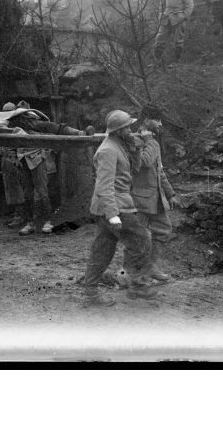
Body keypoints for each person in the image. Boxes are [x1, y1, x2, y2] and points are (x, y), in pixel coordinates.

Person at [82, 110, 157, 307]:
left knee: (102, 250)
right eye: (128, 127)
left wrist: (135, 148)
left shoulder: (119, 145)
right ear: (118, 130)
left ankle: (90, 292)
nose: (131, 130)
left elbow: (135, 169)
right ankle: (138, 285)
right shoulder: (108, 150)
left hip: (111, 206)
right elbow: (103, 185)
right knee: (142, 239)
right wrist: (113, 215)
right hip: (115, 206)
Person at [9, 101, 86, 236]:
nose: (23, 121)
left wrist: (44, 153)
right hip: (23, 158)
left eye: (25, 117)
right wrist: (15, 158)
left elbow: (55, 131)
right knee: (27, 194)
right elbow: (8, 143)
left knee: (42, 192)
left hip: (37, 158)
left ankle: (47, 221)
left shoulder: (37, 123)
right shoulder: (12, 126)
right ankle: (30, 222)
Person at [125, 118, 178, 283]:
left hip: (155, 199)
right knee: (136, 237)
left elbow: (159, 171)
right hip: (139, 199)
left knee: (163, 230)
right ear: (144, 126)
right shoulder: (136, 141)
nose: (159, 126)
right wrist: (150, 140)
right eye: (156, 123)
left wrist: (170, 194)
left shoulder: (151, 143)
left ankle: (151, 267)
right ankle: (128, 274)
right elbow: (145, 162)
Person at [153, 0, 194, 64]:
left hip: (178, 20)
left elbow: (190, 5)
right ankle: (156, 62)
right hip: (166, 19)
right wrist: (160, 16)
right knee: (159, 40)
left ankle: (176, 63)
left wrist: (183, 17)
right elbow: (162, 5)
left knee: (178, 43)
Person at [0, 101, 26, 227]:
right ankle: (15, 214)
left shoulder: (17, 126)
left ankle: (20, 216)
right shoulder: (3, 124)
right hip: (6, 160)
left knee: (17, 190)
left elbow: (21, 145)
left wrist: (17, 159)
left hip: (15, 161)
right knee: (10, 190)